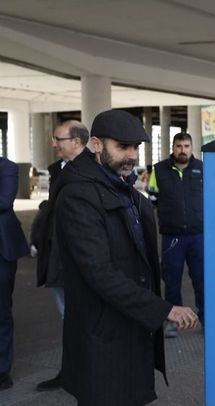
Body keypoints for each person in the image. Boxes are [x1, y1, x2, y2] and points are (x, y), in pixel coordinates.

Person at [53, 109, 198, 405]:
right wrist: (163, 309)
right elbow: (99, 272)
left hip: (131, 323)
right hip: (102, 331)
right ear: (96, 144)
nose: (131, 155)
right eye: (122, 147)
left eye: (135, 147)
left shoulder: (125, 189)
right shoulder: (78, 195)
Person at [34, 120, 90, 391]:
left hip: (83, 257)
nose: (53, 144)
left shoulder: (95, 167)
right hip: (57, 254)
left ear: (77, 142)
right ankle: (70, 372)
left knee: (86, 318)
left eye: (58, 139)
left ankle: (89, 374)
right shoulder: (57, 169)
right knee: (67, 317)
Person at [148, 132, 204, 337]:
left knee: (201, 279)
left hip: (198, 236)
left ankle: (206, 319)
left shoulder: (202, 169)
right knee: (171, 280)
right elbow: (152, 199)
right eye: (179, 146)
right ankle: (173, 321)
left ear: (192, 147)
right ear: (173, 147)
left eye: (186, 146)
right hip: (172, 237)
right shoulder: (159, 170)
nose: (183, 150)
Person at [0, 157, 30, 390]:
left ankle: (2, 371)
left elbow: (4, 201)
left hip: (1, 250)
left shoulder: (7, 167)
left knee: (1, 311)